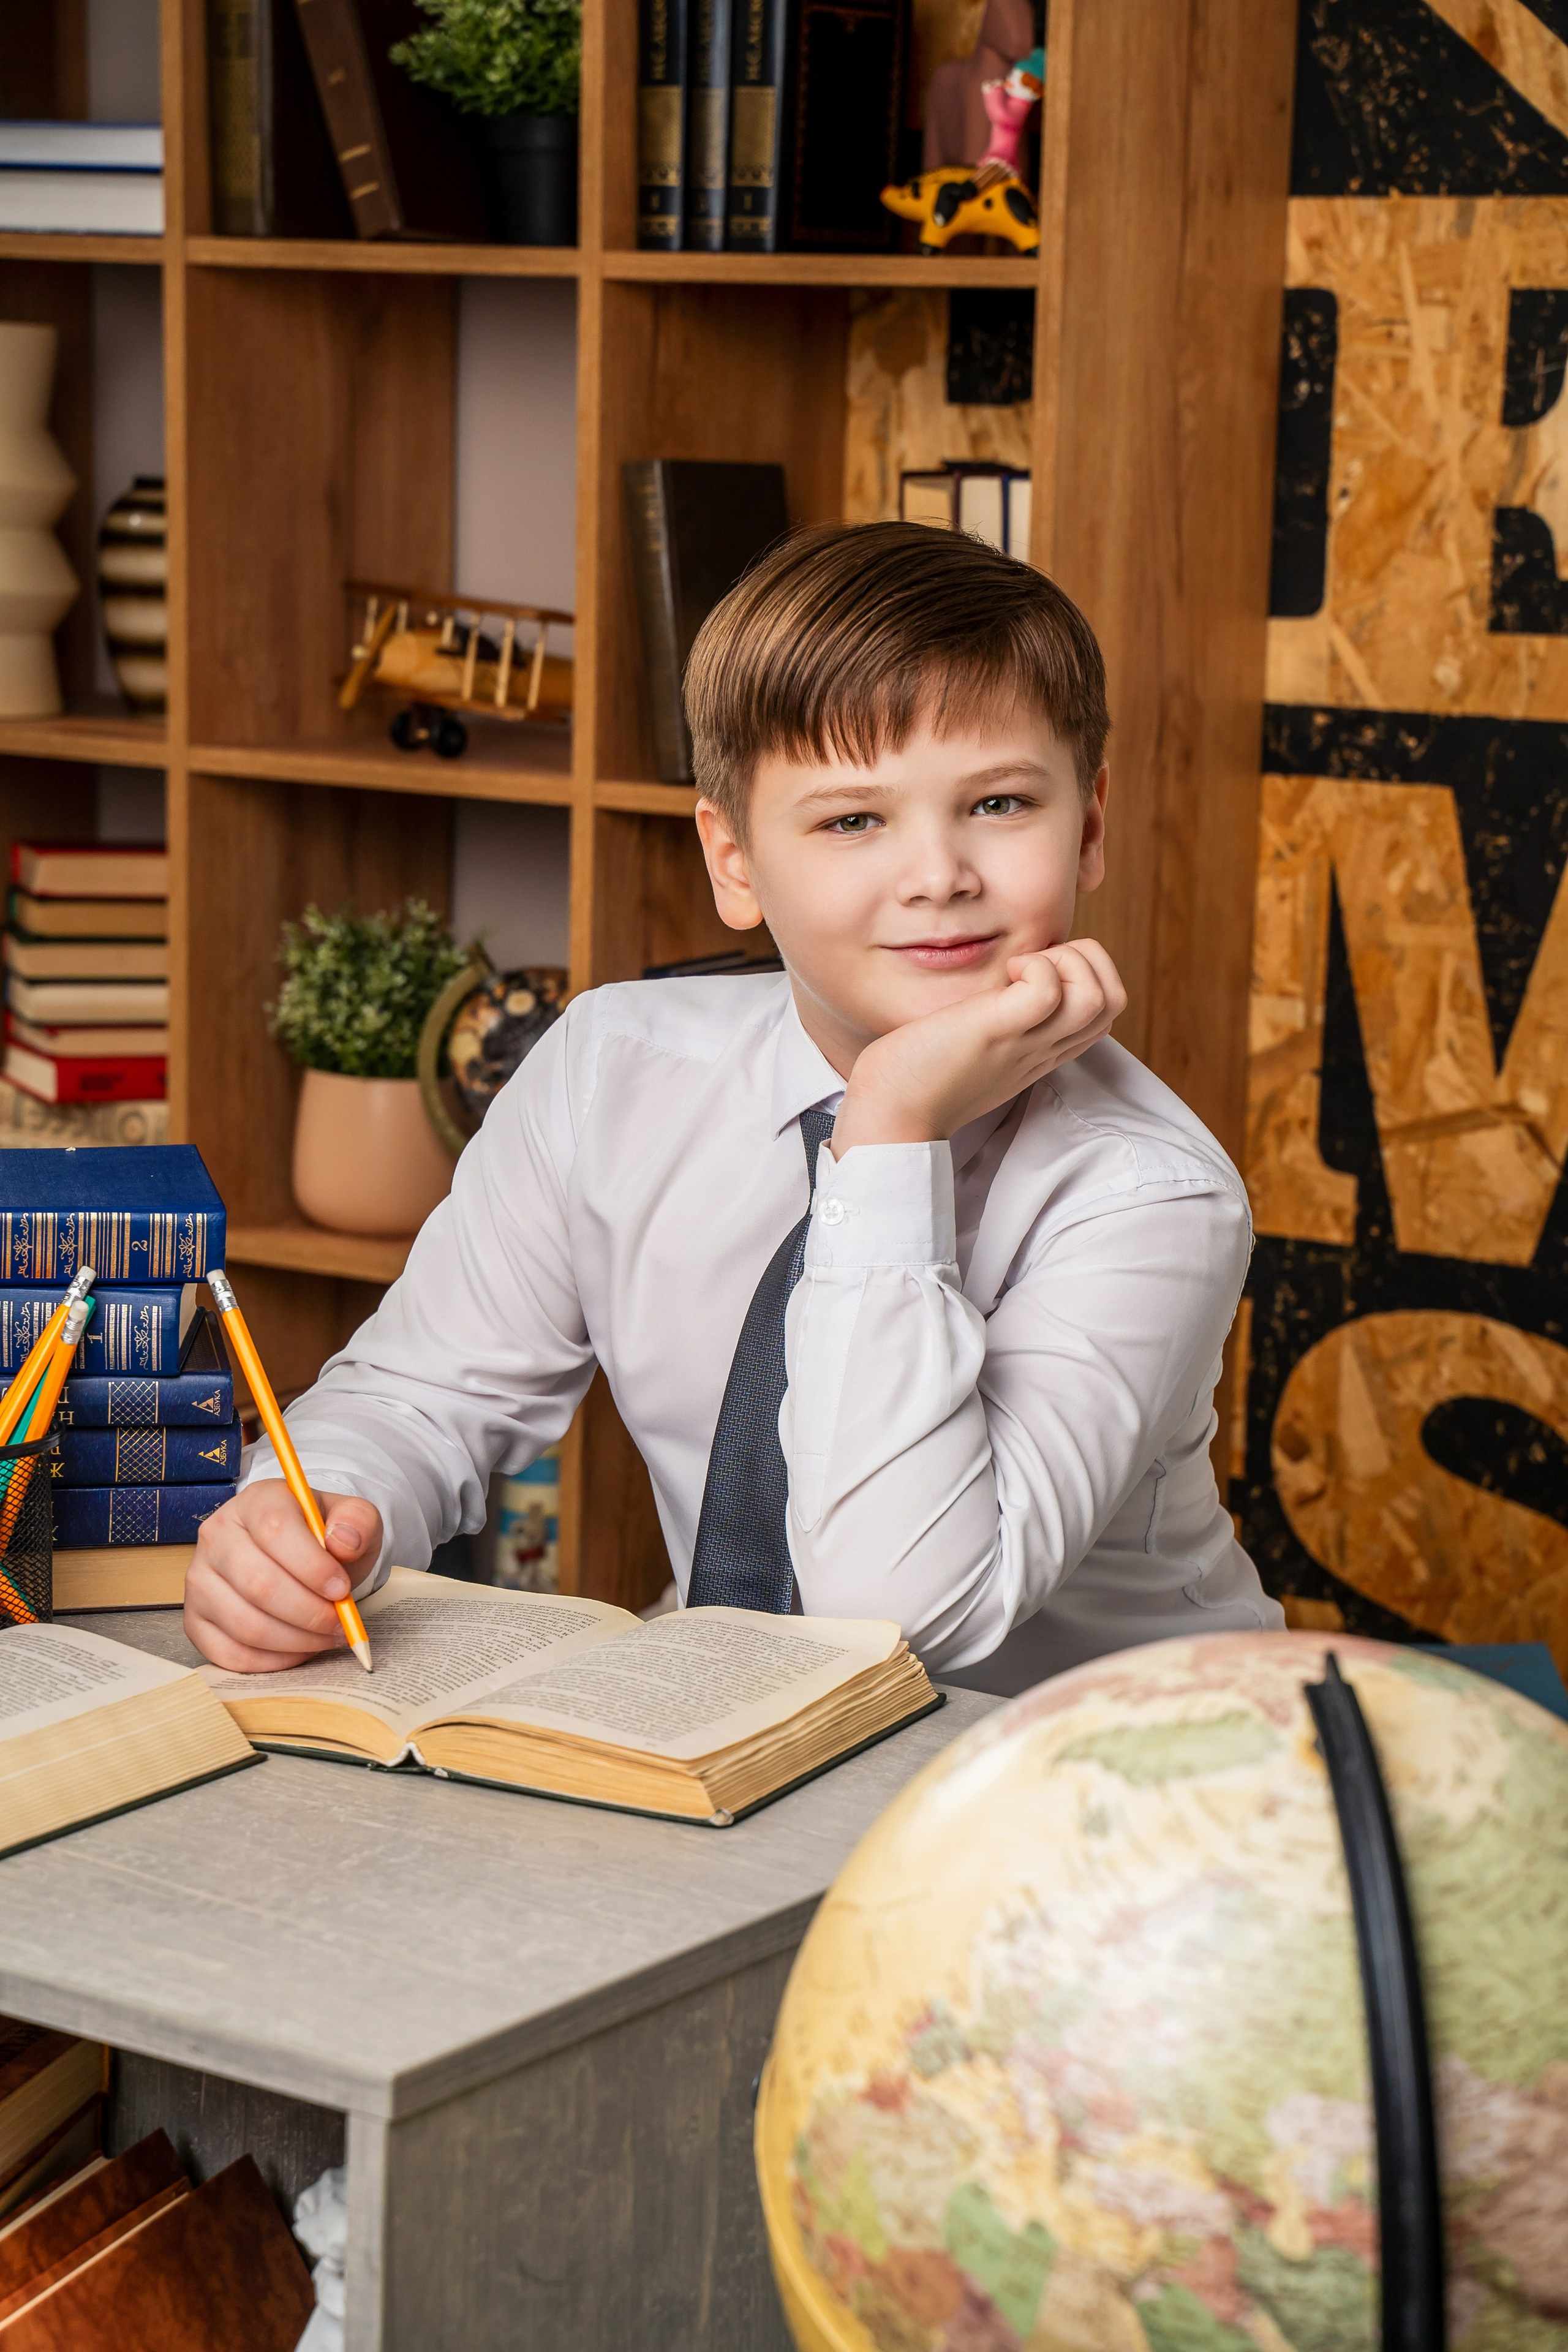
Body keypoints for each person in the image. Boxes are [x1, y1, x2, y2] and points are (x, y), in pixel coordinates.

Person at [185, 522, 1281, 1695]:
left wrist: (888, 1129)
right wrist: (305, 1515)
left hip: (1108, 1772)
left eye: (1001, 803)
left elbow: (907, 1618)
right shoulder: (610, 1069)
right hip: (733, 1723)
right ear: (734, 861)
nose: (938, 876)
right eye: (852, 820)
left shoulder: (1146, 1188)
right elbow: (424, 1391)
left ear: (1093, 824)